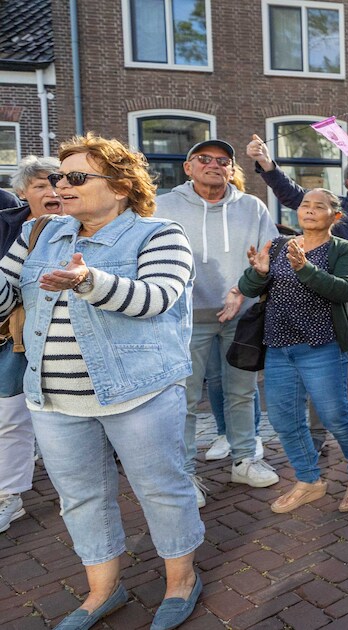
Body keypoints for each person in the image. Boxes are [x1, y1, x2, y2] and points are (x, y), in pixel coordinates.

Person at [0, 134, 203, 630]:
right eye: (57, 177)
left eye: (76, 177)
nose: (61, 186)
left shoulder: (161, 234)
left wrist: (89, 281)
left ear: (120, 186)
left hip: (140, 394)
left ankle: (182, 582)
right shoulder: (36, 234)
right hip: (54, 399)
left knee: (160, 489)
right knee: (81, 497)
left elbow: (156, 297)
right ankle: (102, 591)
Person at [247, 138, 348, 446]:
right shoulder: (330, 210)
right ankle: (319, 433)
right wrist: (267, 164)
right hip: (329, 301)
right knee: (324, 369)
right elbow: (294, 194)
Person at [239, 188, 348, 514]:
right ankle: (308, 480)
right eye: (305, 205)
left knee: (336, 416)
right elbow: (248, 289)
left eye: (320, 206)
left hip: (322, 347)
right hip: (278, 348)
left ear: (336, 215)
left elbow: (344, 290)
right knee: (284, 418)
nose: (310, 210)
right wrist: (257, 273)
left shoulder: (342, 249)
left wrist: (305, 268)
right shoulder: (277, 246)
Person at [157, 139, 280, 504]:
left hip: (240, 317)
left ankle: (244, 460)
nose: (215, 165)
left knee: (242, 392)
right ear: (188, 167)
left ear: (231, 169)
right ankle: (185, 474)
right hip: (185, 318)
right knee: (186, 397)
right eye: (204, 159)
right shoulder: (163, 207)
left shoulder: (252, 207)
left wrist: (243, 291)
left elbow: (267, 258)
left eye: (223, 161)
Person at [0, 156, 62, 534]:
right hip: (15, 337)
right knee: (9, 415)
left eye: (57, 183)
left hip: (64, 338)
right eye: (41, 185)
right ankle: (10, 495)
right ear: (23, 194)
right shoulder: (8, 226)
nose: (53, 191)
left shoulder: (81, 226)